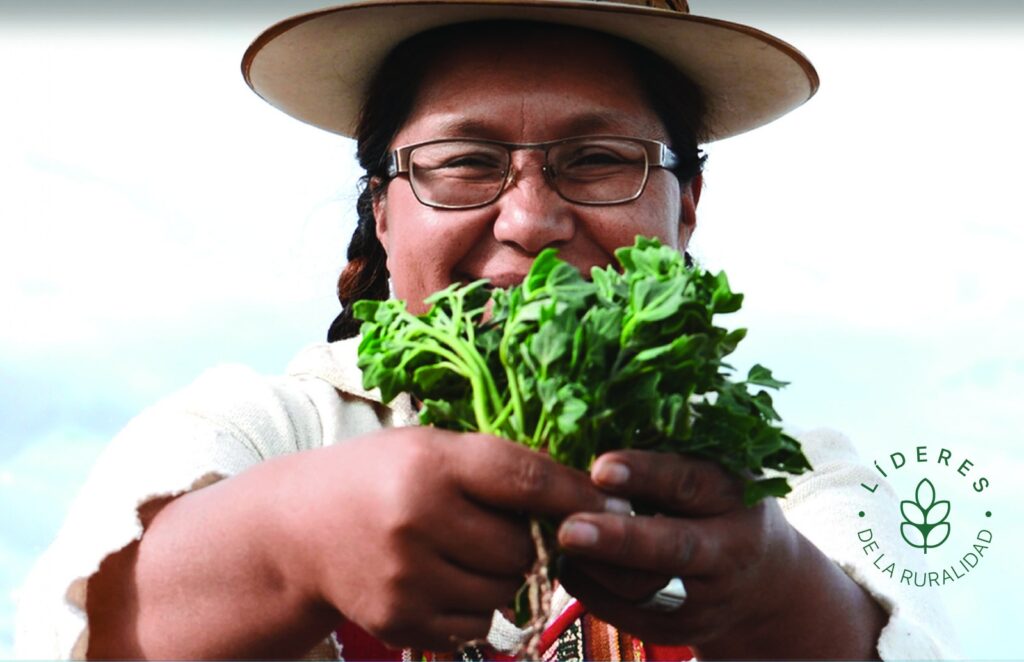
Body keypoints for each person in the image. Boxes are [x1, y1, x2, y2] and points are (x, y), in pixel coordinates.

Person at [16, 1, 958, 659]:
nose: (530, 221)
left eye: (598, 160)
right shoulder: (264, 434)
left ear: (688, 205)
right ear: (383, 214)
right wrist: (284, 537)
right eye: (465, 162)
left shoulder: (788, 479)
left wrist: (776, 599)